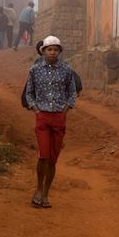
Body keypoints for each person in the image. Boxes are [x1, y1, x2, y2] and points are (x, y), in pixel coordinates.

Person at [24, 36, 76, 209]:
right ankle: (38, 189)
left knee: (53, 159)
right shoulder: (35, 70)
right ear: (43, 51)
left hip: (59, 118)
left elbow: (72, 92)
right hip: (43, 118)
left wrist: (65, 111)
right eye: (49, 49)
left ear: (59, 51)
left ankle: (46, 193)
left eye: (55, 50)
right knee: (43, 155)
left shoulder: (66, 69)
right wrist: (36, 110)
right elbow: (29, 93)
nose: (52, 52)